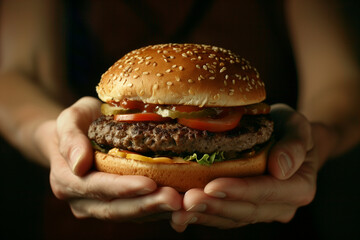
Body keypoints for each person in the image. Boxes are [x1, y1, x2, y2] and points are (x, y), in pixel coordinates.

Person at [0, 0, 359, 238]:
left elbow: (342, 80)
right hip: (89, 225)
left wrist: (317, 137)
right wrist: (50, 135)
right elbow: (18, 72)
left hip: (270, 215)